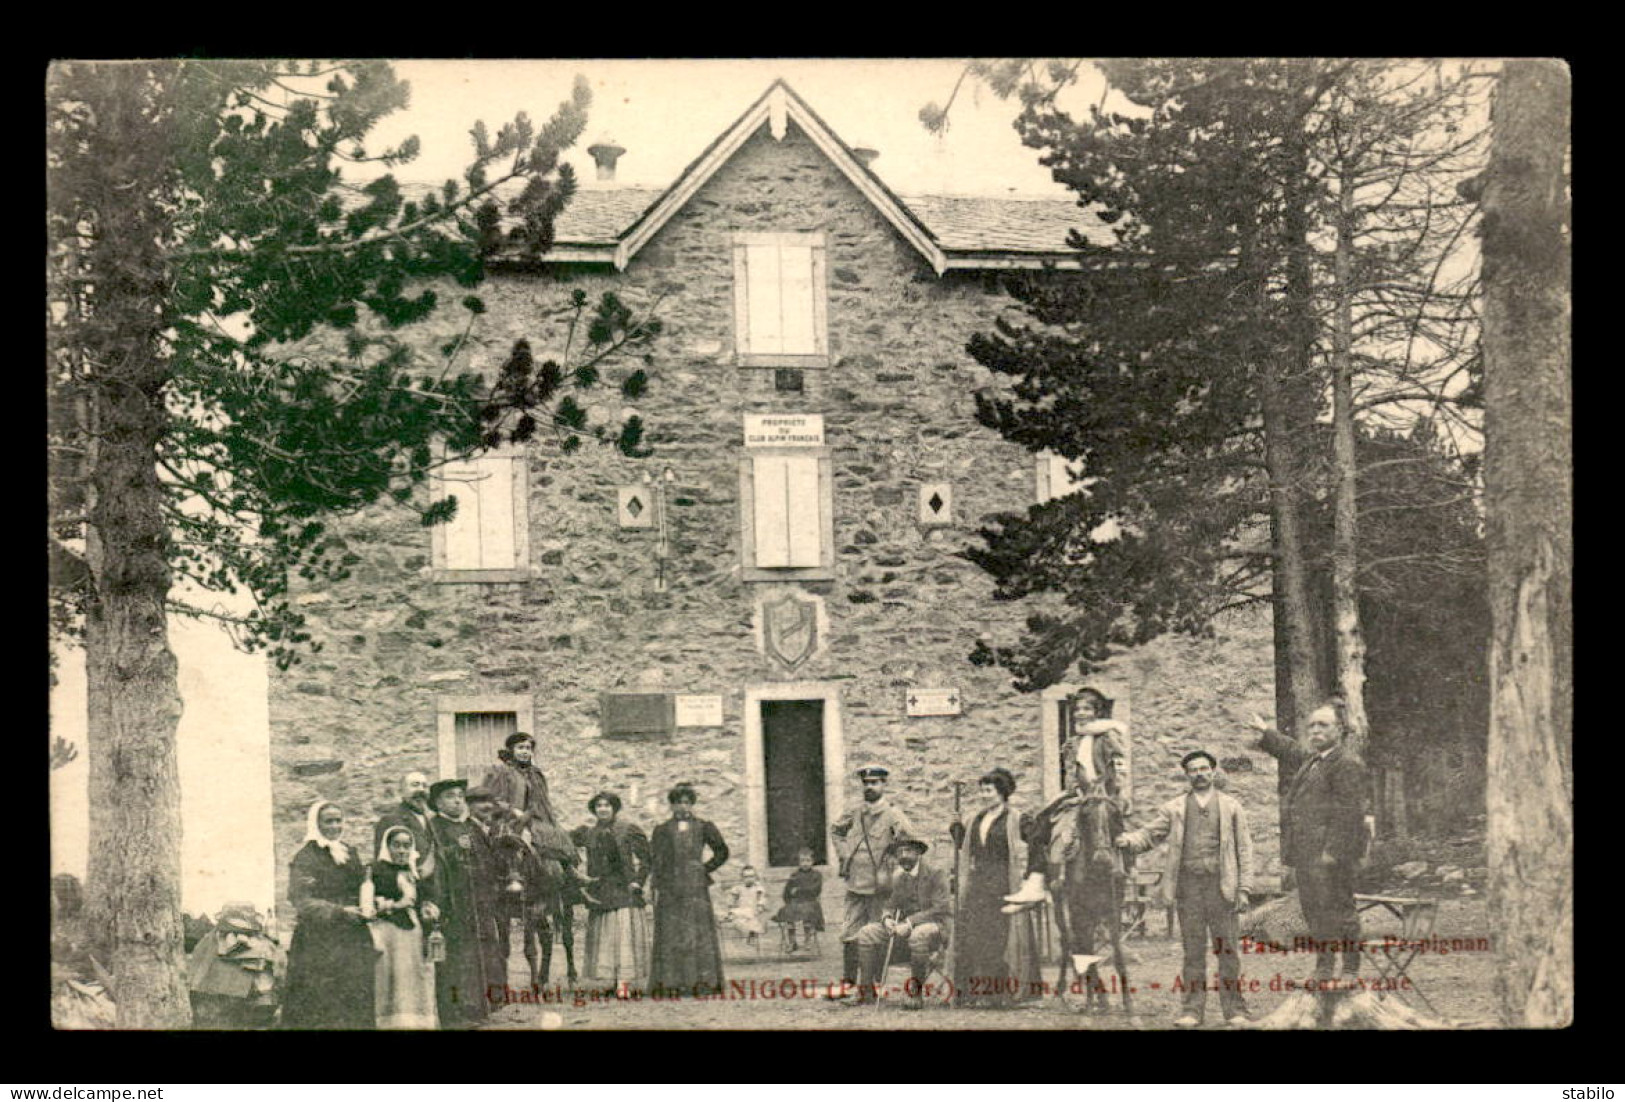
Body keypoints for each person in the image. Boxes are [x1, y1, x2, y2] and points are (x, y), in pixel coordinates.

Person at [1117, 750, 1255, 1027]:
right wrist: (1128, 840)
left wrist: (1244, 889)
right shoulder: (1175, 808)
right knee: (1192, 951)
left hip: (1222, 888)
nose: (1200, 774)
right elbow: (1150, 834)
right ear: (1187, 775)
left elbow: (1244, 849)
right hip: (1189, 889)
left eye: (1204, 768)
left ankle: (1235, 1010)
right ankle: (1192, 1010)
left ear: (1214, 772)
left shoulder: (1231, 807)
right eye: (1193, 770)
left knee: (1227, 950)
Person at [1253, 703, 1370, 989]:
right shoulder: (1315, 760)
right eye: (1312, 726)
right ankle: (1324, 967)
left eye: (1323, 725)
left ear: (1339, 730)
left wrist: (1332, 853)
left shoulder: (1347, 763)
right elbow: (1293, 751)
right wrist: (1267, 733)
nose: (1316, 730)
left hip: (1331, 857)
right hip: (1307, 856)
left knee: (1341, 910)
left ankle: (1351, 969)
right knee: (1315, 912)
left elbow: (1349, 812)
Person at [1003, 716, 1130, 908]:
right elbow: (1071, 774)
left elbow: (1119, 771)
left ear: (1097, 712)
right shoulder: (1073, 742)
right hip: (1077, 795)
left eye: (1087, 709)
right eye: (1077, 709)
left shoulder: (1108, 738)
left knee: (1116, 829)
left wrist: (1108, 790)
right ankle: (1036, 880)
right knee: (1042, 821)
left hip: (1104, 795)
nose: (1081, 713)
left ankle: (1126, 870)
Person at [281, 799, 376, 1030]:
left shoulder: (349, 852)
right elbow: (301, 899)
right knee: (320, 1000)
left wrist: (369, 905)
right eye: (328, 821)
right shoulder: (307, 856)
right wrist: (340, 911)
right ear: (316, 824)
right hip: (319, 940)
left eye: (338, 820)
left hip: (353, 936)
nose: (335, 826)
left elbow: (362, 885)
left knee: (354, 996)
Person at [950, 768, 1041, 1007]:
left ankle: (1001, 993)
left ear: (1002, 792)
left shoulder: (1018, 819)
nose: (983, 795)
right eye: (982, 790)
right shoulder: (976, 819)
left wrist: (1030, 875)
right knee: (975, 937)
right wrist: (957, 831)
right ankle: (974, 992)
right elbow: (968, 847)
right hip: (978, 884)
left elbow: (1037, 842)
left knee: (999, 938)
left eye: (988, 790)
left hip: (1003, 884)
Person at [828, 764, 915, 997]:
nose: (869, 787)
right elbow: (836, 831)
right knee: (849, 932)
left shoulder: (894, 815)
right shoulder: (854, 812)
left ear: (884, 785)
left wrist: (895, 866)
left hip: (880, 886)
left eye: (874, 783)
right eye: (866, 783)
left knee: (876, 934)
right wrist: (844, 854)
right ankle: (848, 983)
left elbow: (910, 844)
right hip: (855, 883)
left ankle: (876, 984)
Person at [426, 778, 498, 1027]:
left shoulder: (472, 826)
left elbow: (488, 860)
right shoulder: (433, 827)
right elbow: (435, 864)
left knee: (477, 957)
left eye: (459, 795)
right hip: (451, 905)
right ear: (437, 802)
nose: (457, 800)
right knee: (454, 961)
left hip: (477, 903)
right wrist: (458, 850)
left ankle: (477, 1010)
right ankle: (454, 1015)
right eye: (450, 796)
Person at [851, 834, 951, 1010]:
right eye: (899, 852)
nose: (903, 856)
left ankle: (915, 993)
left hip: (936, 926)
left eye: (909, 851)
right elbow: (890, 905)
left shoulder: (936, 873)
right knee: (867, 933)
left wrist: (910, 922)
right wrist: (887, 918)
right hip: (904, 927)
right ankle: (866, 991)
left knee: (919, 935)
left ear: (918, 853)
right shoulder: (899, 877)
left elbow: (940, 908)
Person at [648, 783, 729, 996]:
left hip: (695, 887)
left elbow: (722, 851)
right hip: (670, 888)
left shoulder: (704, 826)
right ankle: (672, 982)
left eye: (686, 802)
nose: (682, 806)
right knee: (672, 932)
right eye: (678, 802)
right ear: (672, 805)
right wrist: (656, 886)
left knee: (697, 931)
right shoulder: (662, 829)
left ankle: (703, 982)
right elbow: (656, 860)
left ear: (692, 804)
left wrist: (704, 869)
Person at [570, 791, 651, 988]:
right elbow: (563, 845)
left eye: (607, 805)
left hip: (625, 892)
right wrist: (579, 877)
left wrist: (638, 882)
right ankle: (610, 984)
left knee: (623, 938)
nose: (603, 809)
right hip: (601, 892)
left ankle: (624, 985)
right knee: (606, 938)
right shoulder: (587, 833)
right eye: (599, 806)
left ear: (614, 808)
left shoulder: (628, 830)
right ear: (594, 810)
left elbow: (647, 859)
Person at [362, 825, 438, 1029]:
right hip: (387, 933)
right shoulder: (375, 870)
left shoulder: (413, 871)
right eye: (397, 845)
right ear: (387, 847)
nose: (402, 850)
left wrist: (428, 907)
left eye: (406, 845)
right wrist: (391, 905)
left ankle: (415, 1022)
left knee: (414, 975)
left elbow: (422, 898)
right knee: (390, 977)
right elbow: (367, 905)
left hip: (412, 933)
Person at [188, 901, 282, 1029]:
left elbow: (196, 976)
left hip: (222, 1003)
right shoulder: (264, 943)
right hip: (231, 1005)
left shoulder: (209, 940)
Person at [464, 787, 512, 991]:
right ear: (469, 806)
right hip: (477, 897)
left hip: (493, 895)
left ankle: (496, 991)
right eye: (479, 802)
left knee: (495, 942)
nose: (486, 806)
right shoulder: (467, 830)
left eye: (488, 802)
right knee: (483, 944)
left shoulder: (491, 829)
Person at [374, 772, 438, 880]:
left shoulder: (431, 821)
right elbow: (382, 864)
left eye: (424, 786)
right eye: (415, 785)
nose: (421, 790)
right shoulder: (391, 820)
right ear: (401, 792)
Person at [773, 848, 824, 952]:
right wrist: (789, 901)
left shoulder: (816, 875)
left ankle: (807, 940)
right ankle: (792, 942)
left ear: (812, 861)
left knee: (807, 913)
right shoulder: (795, 875)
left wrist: (799, 890)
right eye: (802, 861)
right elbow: (787, 891)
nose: (805, 863)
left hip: (811, 902)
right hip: (796, 902)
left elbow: (815, 890)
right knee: (787, 913)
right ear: (799, 862)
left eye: (808, 860)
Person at [722, 865, 770, 946]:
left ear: (755, 877)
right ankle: (747, 934)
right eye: (746, 877)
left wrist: (760, 905)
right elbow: (731, 900)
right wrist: (731, 902)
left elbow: (761, 899)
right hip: (742, 911)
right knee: (738, 917)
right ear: (742, 878)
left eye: (751, 876)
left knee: (752, 918)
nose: (749, 879)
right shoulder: (739, 888)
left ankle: (752, 935)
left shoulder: (758, 888)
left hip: (753, 911)